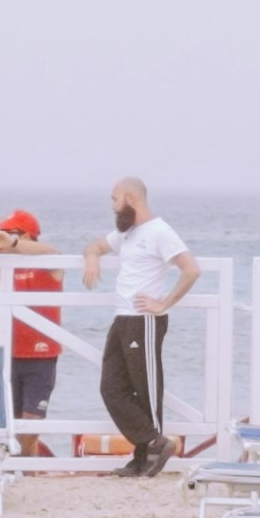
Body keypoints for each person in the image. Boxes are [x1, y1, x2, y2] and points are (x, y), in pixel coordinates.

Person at [85, 176, 195, 474]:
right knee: (112, 389)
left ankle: (146, 456)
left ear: (130, 198)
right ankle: (153, 443)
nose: (112, 206)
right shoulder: (128, 233)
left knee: (146, 389)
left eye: (114, 199)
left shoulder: (159, 232)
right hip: (122, 319)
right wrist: (92, 259)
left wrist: (164, 303)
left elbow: (190, 270)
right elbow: (95, 245)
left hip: (144, 321)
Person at [0, 208, 66, 426]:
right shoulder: (0, 263)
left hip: (41, 354)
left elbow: (54, 253)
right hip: (7, 352)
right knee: (9, 425)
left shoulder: (48, 265)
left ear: (26, 236)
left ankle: (31, 459)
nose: (1, 237)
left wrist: (12, 245)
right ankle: (17, 461)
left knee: (31, 425)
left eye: (8, 232)